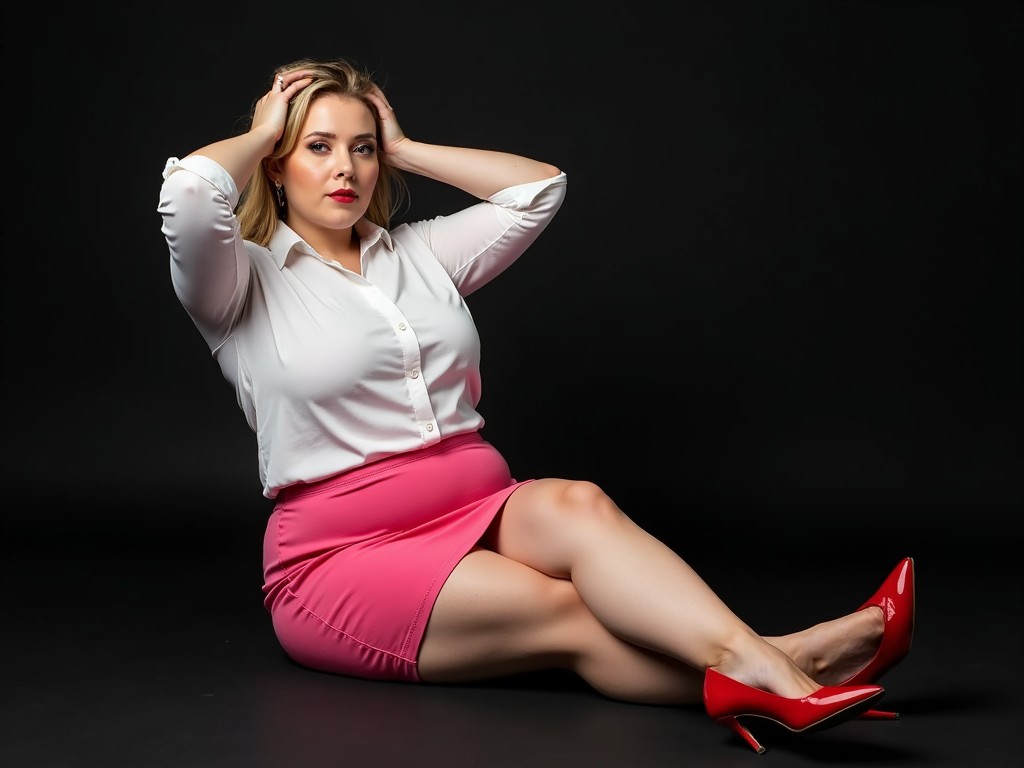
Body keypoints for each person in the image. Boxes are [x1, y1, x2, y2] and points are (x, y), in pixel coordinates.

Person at [157, 57, 915, 755]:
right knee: (565, 611)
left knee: (579, 502)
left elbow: (537, 189)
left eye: (361, 147)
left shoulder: (419, 253)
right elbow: (191, 191)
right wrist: (262, 129)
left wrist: (408, 146)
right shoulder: (238, 283)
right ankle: (791, 667)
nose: (345, 168)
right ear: (278, 166)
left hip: (480, 503)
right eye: (317, 147)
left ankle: (770, 669)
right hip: (342, 555)